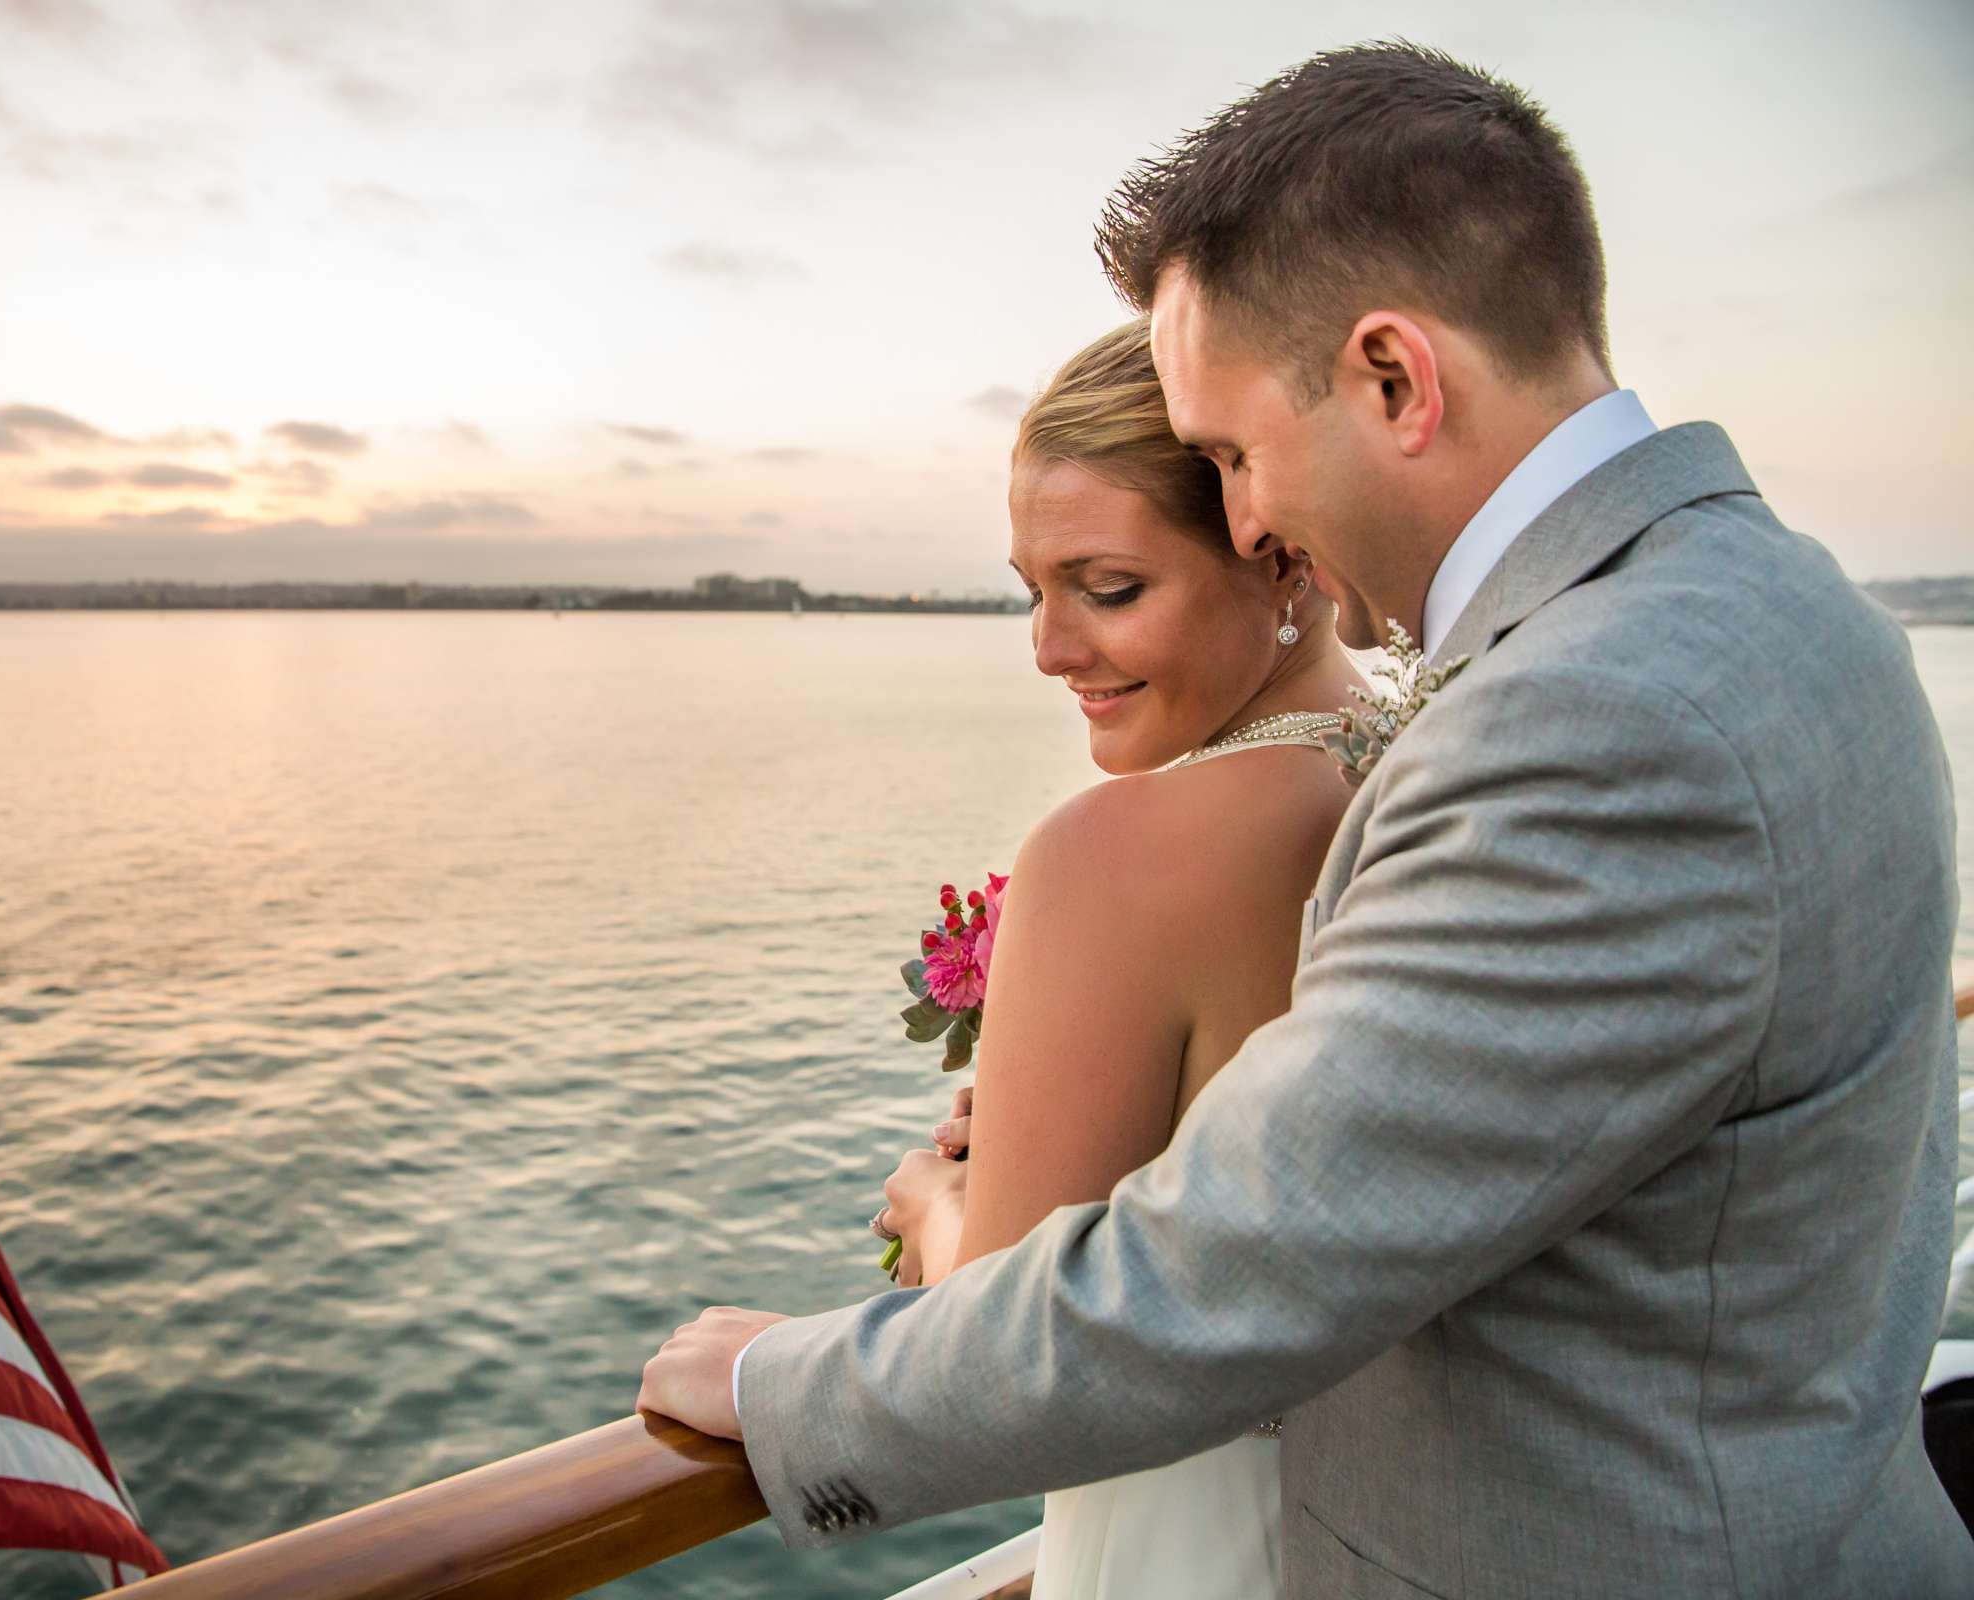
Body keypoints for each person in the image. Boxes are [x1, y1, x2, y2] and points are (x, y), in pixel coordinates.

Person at [637, 41, 1972, 1599]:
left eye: (1234, 455)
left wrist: (794, 1388)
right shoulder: (1803, 611)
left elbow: (1226, 1275)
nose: (1253, 520)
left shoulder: (1601, 724)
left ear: (1395, 379)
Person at [866, 316, 1361, 1599]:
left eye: (1109, 588)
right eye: (1033, 587)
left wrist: (933, 1207)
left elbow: (993, 1353)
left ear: (1281, 559)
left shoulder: (1116, 854)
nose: (1049, 646)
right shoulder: (1432, 754)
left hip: (1190, 1540)